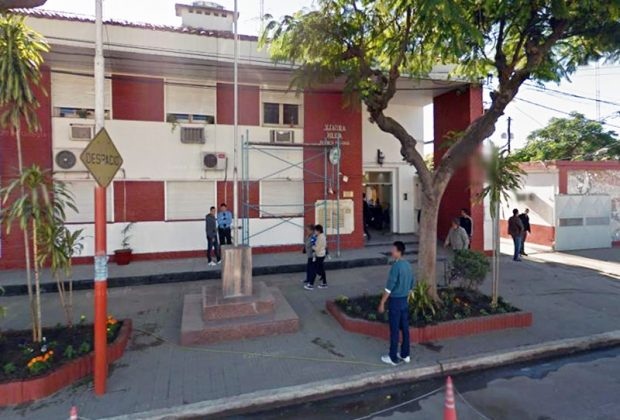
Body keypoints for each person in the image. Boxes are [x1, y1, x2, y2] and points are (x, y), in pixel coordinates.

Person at [377, 241, 415, 366]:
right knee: (405, 329)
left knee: (394, 330)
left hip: (395, 301)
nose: (391, 251)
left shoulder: (396, 267)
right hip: (404, 301)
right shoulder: (408, 265)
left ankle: (392, 357)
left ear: (399, 251)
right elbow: (412, 284)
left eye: (393, 249)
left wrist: (382, 302)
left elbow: (389, 287)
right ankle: (405, 354)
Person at [304, 224, 327, 290]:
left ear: (319, 231)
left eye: (316, 231)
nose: (315, 232)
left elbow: (317, 248)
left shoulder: (321, 238)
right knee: (321, 269)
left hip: (319, 255)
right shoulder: (320, 236)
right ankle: (324, 283)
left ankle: (311, 285)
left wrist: (313, 246)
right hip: (320, 255)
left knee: (314, 270)